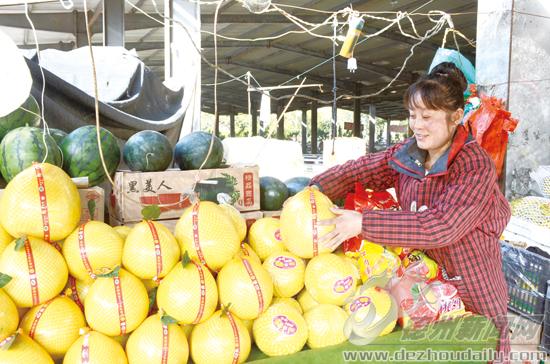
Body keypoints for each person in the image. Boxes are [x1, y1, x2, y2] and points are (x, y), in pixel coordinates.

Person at [311, 62, 511, 363]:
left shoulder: (474, 165)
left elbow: (441, 225)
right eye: (412, 115)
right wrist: (312, 188)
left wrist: (364, 223)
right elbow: (362, 170)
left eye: (427, 117)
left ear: (456, 117)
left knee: (483, 352)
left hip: (473, 286)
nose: (417, 125)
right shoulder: (410, 154)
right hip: (424, 283)